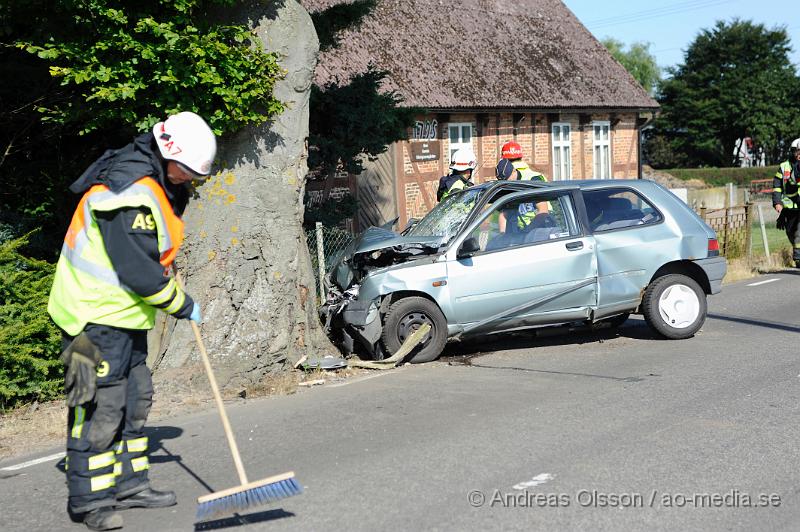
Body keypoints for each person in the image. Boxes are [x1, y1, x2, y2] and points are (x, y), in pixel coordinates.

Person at [47, 111, 216, 530]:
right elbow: (137, 272)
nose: (189, 180)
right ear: (167, 153)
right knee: (95, 408)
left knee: (136, 399)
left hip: (123, 318)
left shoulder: (152, 186)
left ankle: (130, 484)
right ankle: (90, 502)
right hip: (88, 320)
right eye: (187, 171)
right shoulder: (127, 193)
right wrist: (181, 303)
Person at [495, 141, 549, 232]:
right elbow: (504, 213)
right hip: (524, 230)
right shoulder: (534, 176)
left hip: (540, 229)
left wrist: (527, 231)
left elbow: (543, 211)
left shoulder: (531, 178)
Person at [772, 138, 800, 268]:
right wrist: (777, 202)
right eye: (797, 151)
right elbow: (777, 186)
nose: (799, 154)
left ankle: (798, 256)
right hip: (788, 208)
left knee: (798, 233)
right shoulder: (784, 166)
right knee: (790, 232)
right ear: (793, 152)